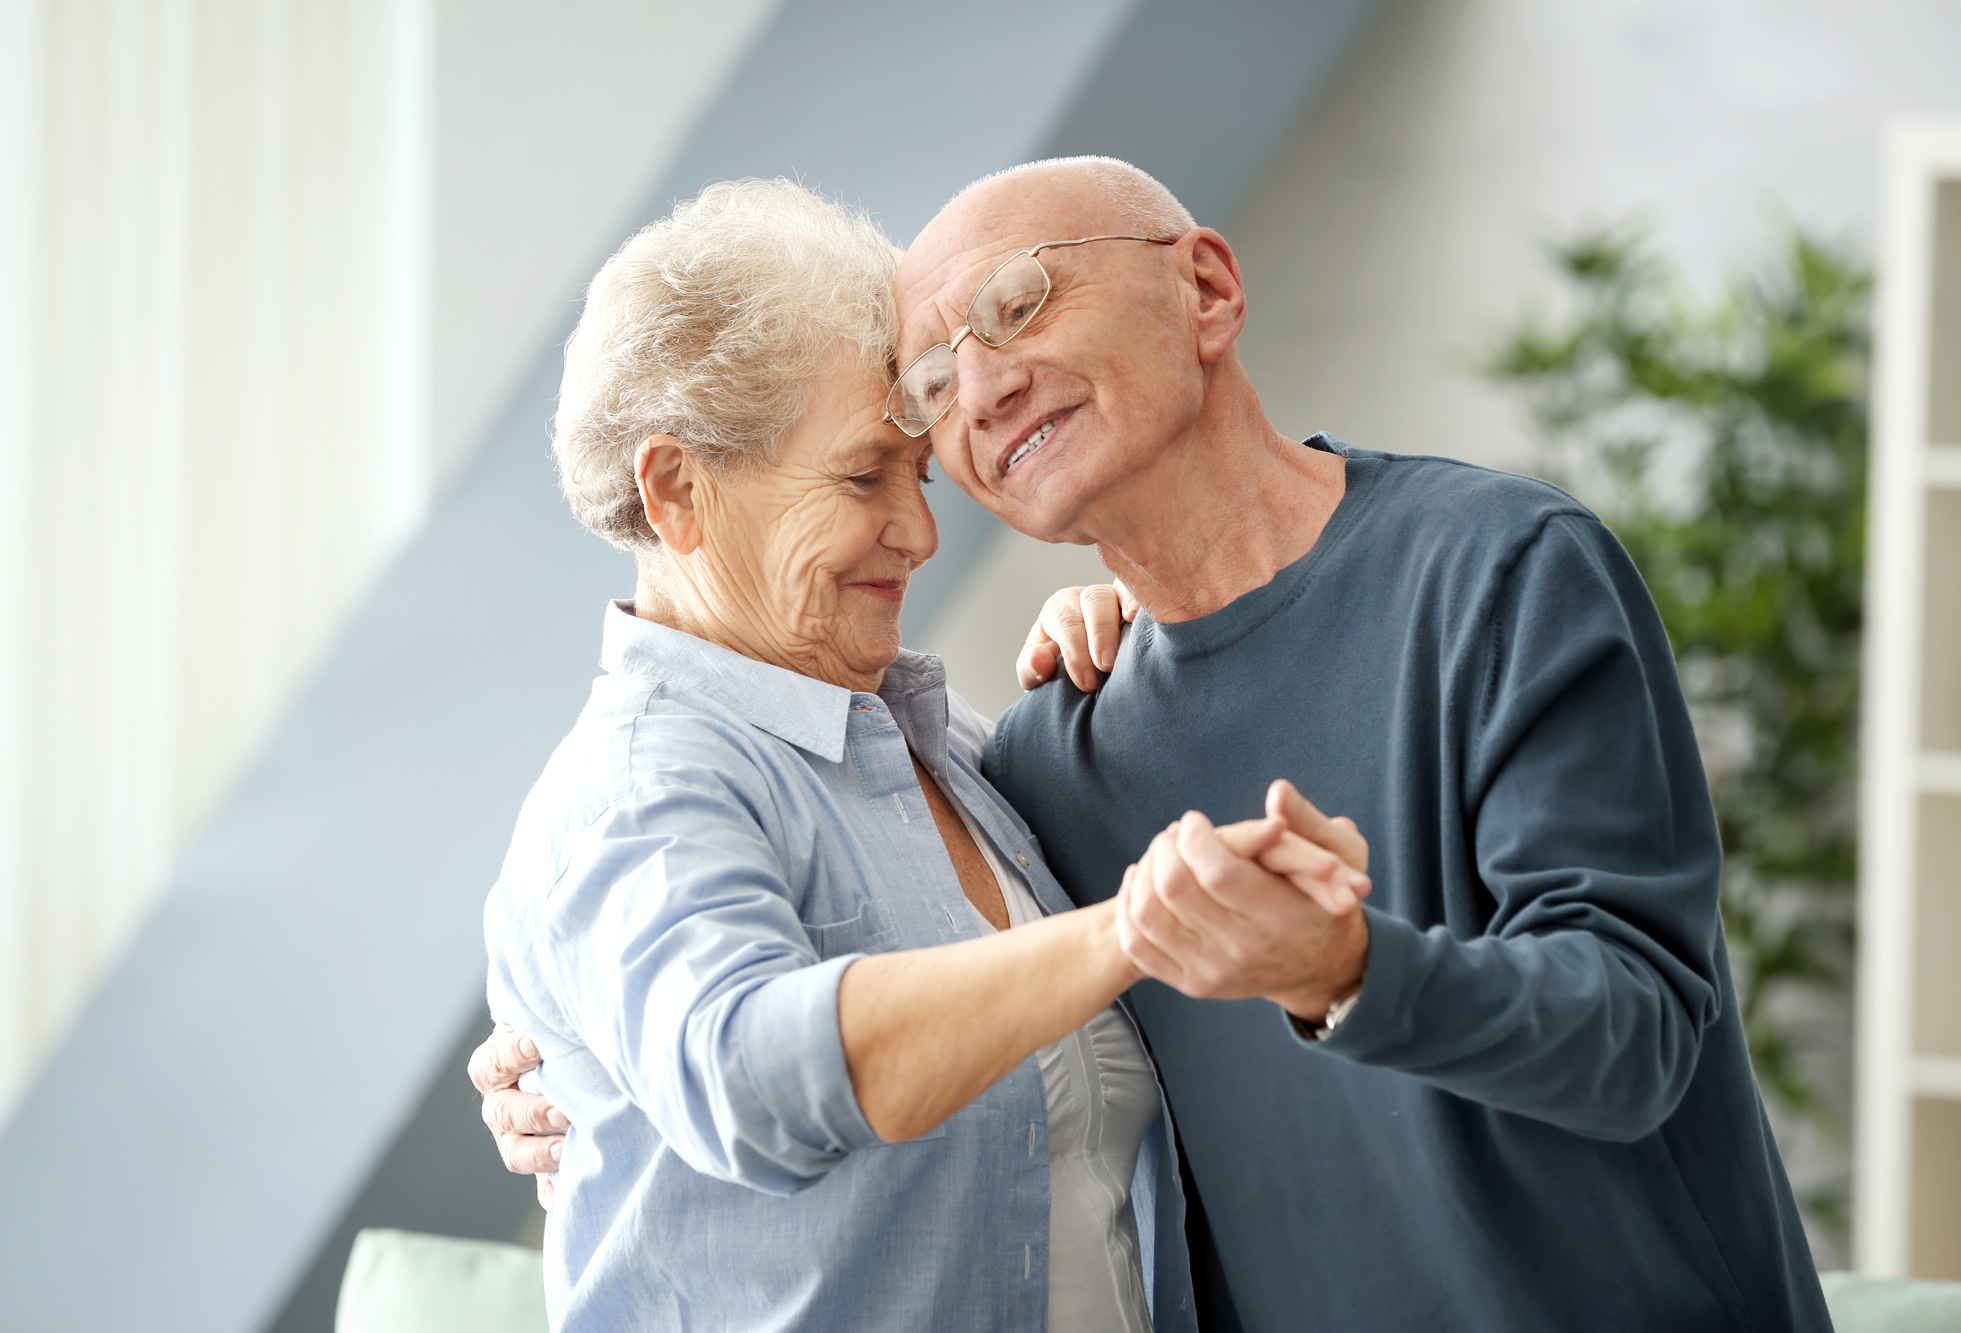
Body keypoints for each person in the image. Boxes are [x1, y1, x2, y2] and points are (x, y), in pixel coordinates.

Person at [480, 157, 1831, 1330]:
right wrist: (562, 1049)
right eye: (933, 386)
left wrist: (1349, 966)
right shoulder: (1038, 759)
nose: (982, 395)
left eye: (1017, 302)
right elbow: (732, 1045)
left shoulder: (1494, 575)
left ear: (1208, 290)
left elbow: (1640, 1032)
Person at [477, 176, 1369, 1333]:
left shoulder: (948, 750)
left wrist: (1118, 642)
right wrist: (1128, 929)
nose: (922, 531)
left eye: (919, 473)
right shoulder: (636, 788)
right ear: (677, 488)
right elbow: (748, 1075)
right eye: (862, 477)